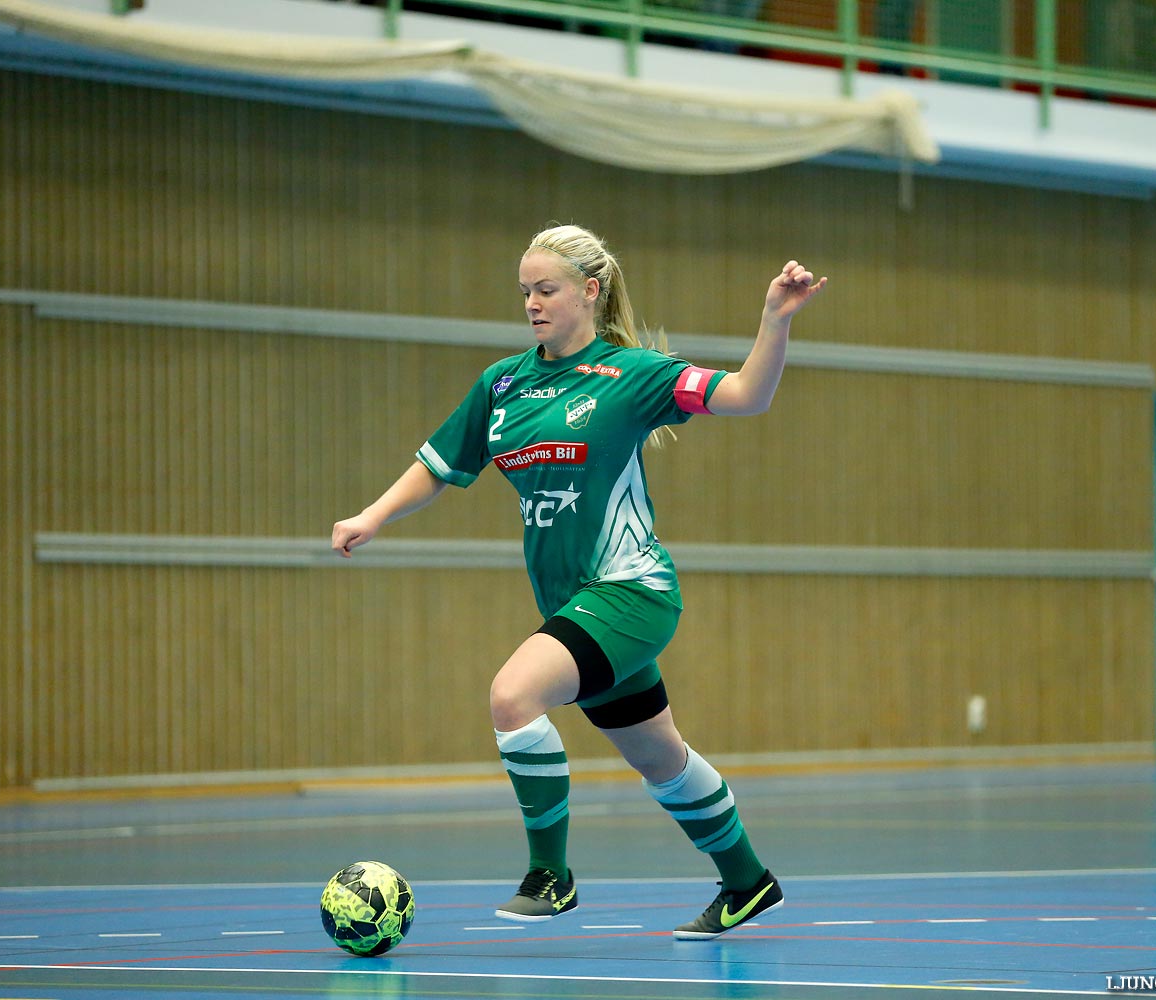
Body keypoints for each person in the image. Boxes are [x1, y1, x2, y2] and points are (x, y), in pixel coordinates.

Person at [331, 224, 826, 938]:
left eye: (546, 289)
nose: (531, 303)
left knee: (513, 694)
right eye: (525, 291)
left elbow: (747, 394)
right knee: (662, 759)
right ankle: (748, 882)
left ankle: (552, 877)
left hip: (631, 593)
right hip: (576, 606)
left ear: (589, 292)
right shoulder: (504, 383)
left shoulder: (633, 374)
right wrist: (373, 515)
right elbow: (441, 465)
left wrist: (774, 319)